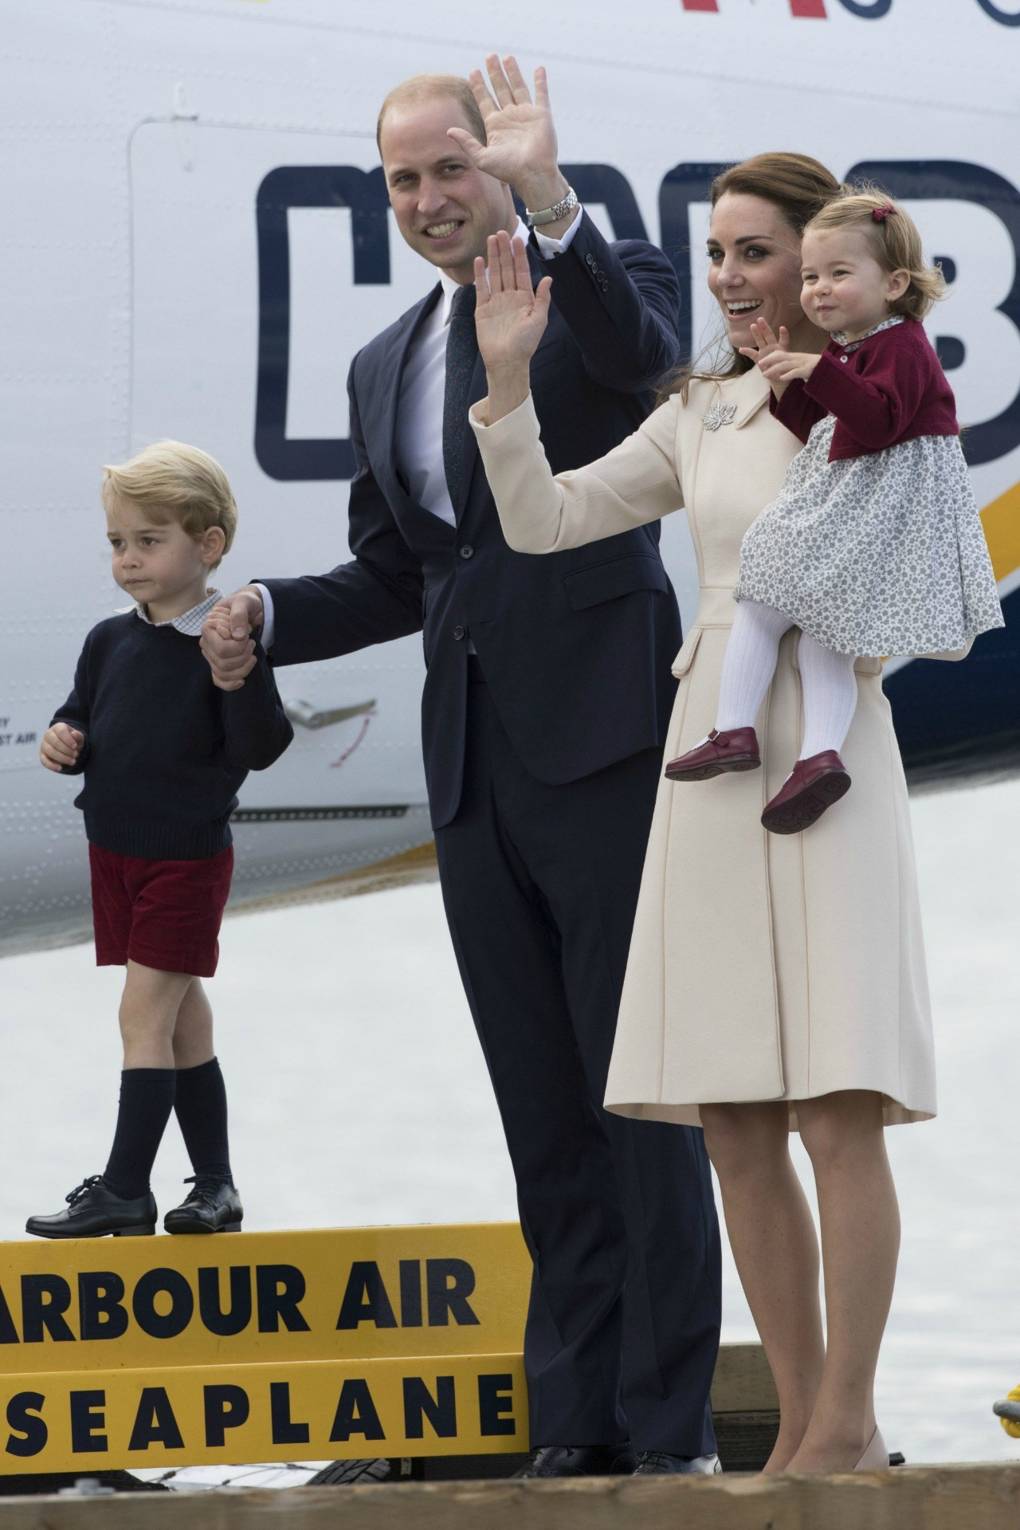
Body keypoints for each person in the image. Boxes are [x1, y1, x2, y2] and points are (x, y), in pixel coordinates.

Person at [201, 59, 721, 1477]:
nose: (430, 201)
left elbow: (650, 352)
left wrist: (557, 199)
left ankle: (669, 1435)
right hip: (477, 765)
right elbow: (400, 570)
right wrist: (262, 615)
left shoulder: (590, 294)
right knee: (543, 1110)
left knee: (645, 1100)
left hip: (611, 740)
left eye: (453, 169)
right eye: (405, 181)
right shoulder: (388, 363)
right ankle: (581, 1427)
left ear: (499, 170)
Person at [469, 153, 947, 1474]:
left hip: (829, 735)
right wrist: (508, 385)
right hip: (712, 749)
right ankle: (800, 1418)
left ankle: (845, 1418)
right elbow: (549, 518)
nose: (731, 278)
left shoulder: (881, 399)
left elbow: (906, 568)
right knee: (736, 1113)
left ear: (826, 258)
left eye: (757, 252)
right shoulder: (701, 409)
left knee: (838, 1099)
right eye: (719, 254)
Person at [664, 188, 1004, 832]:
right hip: (863, 494)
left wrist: (817, 369)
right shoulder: (857, 347)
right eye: (812, 276)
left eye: (839, 274)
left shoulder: (902, 343)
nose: (819, 290)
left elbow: (876, 422)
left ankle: (734, 729)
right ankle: (819, 757)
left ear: (896, 281)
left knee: (760, 592)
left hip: (874, 501)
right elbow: (822, 425)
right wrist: (781, 382)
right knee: (826, 639)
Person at [28, 441, 292, 1240]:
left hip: (184, 858)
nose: (130, 560)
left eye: (150, 541)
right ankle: (216, 1188)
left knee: (141, 1015)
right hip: (116, 854)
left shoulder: (225, 641)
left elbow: (261, 746)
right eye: (118, 543)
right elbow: (83, 709)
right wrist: (63, 735)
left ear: (208, 546)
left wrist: (233, 676)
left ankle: (124, 1189)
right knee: (181, 1023)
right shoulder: (111, 639)